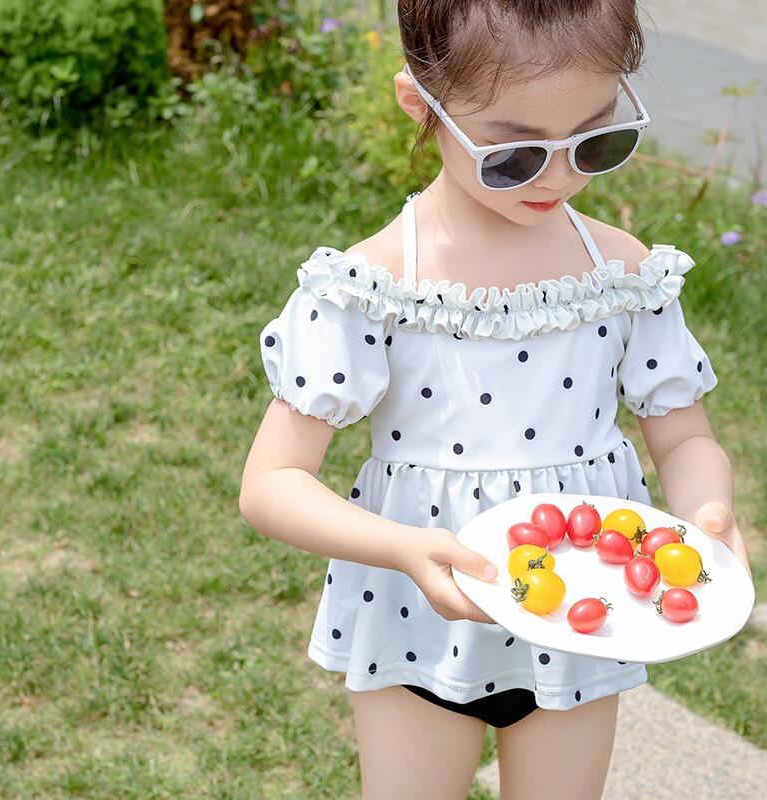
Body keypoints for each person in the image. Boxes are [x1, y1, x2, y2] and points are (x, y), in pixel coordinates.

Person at [239, 2, 752, 797]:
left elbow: (682, 437)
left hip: (586, 616)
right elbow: (271, 484)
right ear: (421, 106)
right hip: (419, 619)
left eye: (596, 140)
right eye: (513, 156)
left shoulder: (622, 275)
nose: (560, 178)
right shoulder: (373, 287)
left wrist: (707, 512)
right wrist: (404, 549)